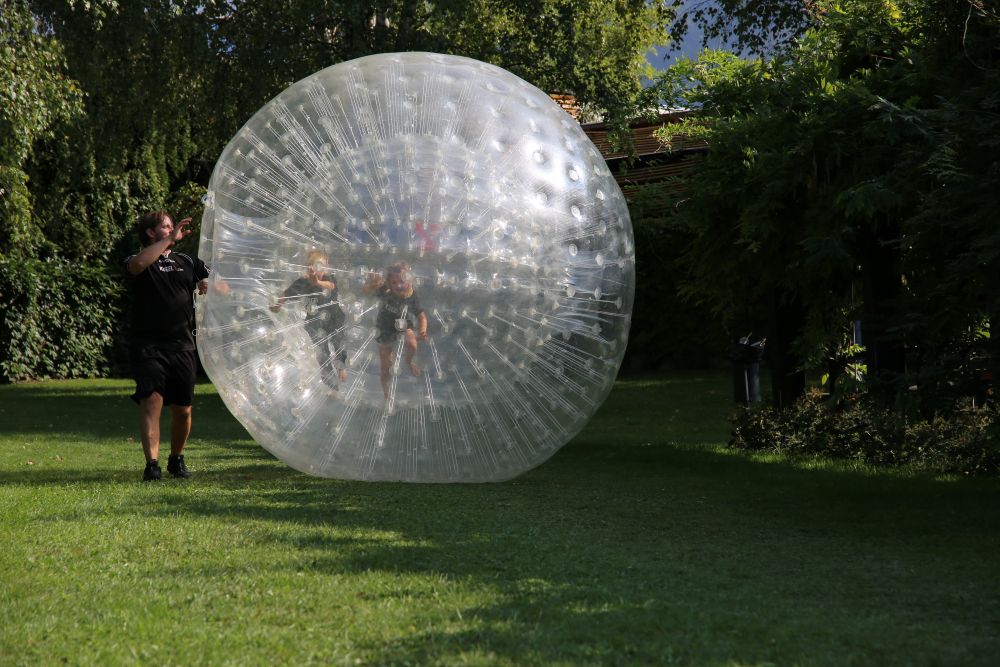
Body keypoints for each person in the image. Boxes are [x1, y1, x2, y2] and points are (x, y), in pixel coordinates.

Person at [125, 211, 210, 481]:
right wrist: (169, 240)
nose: (172, 230)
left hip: (183, 345)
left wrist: (209, 284)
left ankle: (177, 458)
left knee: (183, 409)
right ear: (151, 233)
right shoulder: (139, 259)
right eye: (165, 227)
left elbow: (217, 285)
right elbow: (138, 264)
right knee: (152, 401)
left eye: (173, 227)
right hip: (148, 345)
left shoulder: (187, 261)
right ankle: (152, 464)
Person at [270, 249, 349, 392]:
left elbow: (330, 286)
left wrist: (318, 282)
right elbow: (287, 293)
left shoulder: (329, 279)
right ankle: (331, 386)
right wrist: (276, 305)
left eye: (320, 266)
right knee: (322, 353)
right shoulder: (303, 282)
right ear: (307, 268)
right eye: (312, 266)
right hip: (314, 323)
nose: (316, 269)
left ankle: (341, 366)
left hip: (335, 319)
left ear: (326, 268)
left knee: (338, 345)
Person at [365, 261, 428, 400]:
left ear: (409, 280)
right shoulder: (385, 291)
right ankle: (386, 393)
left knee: (412, 342)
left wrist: (423, 330)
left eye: (402, 281)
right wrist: (371, 284)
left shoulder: (411, 297)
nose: (398, 285)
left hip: (403, 325)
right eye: (394, 282)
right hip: (385, 327)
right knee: (386, 365)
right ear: (388, 283)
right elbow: (366, 291)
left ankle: (409, 360)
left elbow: (422, 317)